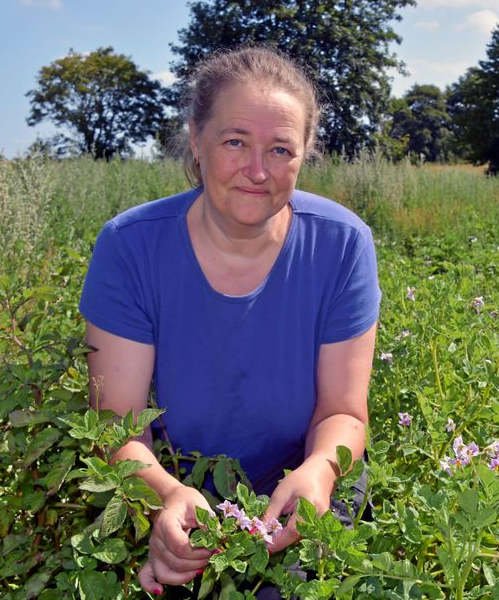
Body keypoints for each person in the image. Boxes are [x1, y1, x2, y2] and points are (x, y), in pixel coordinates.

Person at [79, 45, 381, 595]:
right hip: (176, 478)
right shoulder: (130, 246)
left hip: (298, 474)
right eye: (235, 142)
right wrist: (165, 498)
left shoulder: (342, 244)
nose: (257, 171)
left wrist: (318, 472)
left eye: (281, 149)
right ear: (196, 140)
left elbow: (343, 412)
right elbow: (117, 425)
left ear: (305, 155)